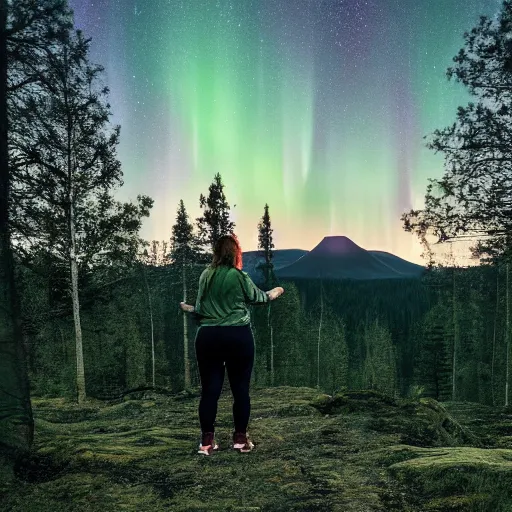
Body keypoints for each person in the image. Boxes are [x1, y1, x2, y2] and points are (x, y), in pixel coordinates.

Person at [179, 234, 284, 455]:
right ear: (236, 253)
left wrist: (189, 308)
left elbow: (199, 308)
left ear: (216, 253)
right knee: (240, 389)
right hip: (238, 336)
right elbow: (259, 298)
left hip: (208, 337)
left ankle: (207, 442)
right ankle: (240, 439)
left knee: (210, 390)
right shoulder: (239, 276)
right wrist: (276, 292)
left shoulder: (205, 275)